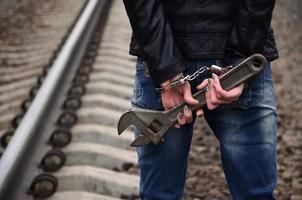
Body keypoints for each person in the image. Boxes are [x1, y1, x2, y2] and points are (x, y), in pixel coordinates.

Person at [122, 0, 278, 199]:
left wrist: (165, 66)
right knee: (256, 195)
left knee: (159, 195)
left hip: (160, 57)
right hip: (241, 45)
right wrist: (241, 59)